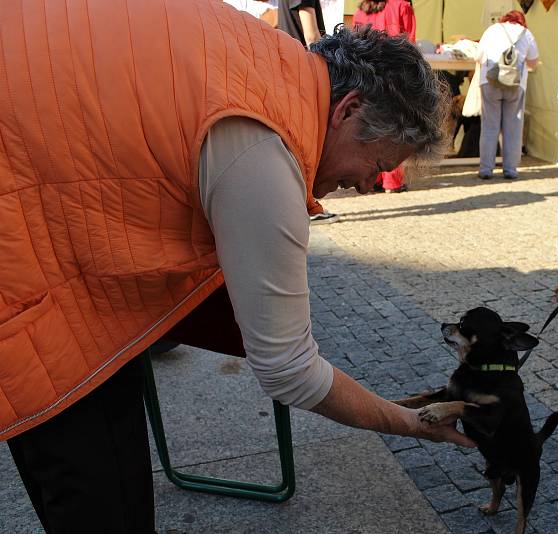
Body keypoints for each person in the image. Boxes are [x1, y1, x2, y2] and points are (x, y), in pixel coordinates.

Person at [0, 2, 469, 529]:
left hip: (36, 182)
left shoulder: (267, 60)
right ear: (349, 109)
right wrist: (410, 423)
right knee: (101, 491)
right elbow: (289, 371)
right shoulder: (265, 147)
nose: (367, 184)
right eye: (379, 164)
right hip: (24, 250)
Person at [277, 0, 340, 222]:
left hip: (289, 68)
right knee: (307, 141)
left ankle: (297, 203)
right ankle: (307, 204)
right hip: (301, 71)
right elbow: (312, 36)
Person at [353, 0, 416, 193]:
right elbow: (410, 44)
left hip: (368, 74)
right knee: (395, 127)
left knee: (371, 127)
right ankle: (392, 181)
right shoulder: (402, 6)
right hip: (395, 74)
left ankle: (371, 180)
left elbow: (353, 44)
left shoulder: (360, 11)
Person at [475, 10, 539, 180]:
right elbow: (533, 63)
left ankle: (486, 169)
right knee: (513, 128)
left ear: (505, 19)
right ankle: (510, 170)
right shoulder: (527, 34)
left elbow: (479, 57)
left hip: (490, 81)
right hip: (515, 85)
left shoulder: (492, 30)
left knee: (489, 126)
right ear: (521, 21)